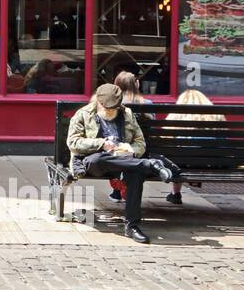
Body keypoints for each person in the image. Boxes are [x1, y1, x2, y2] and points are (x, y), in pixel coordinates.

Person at [66, 83, 174, 244]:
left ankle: (133, 226)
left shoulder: (127, 113)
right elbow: (73, 142)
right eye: (107, 107)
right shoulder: (83, 114)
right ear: (99, 102)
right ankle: (150, 165)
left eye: (114, 107)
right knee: (97, 159)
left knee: (135, 174)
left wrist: (130, 149)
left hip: (124, 161)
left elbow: (140, 142)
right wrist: (101, 144)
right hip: (95, 162)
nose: (110, 111)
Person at [164, 89, 224, 205]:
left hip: (181, 164)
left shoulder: (175, 117)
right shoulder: (216, 116)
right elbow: (222, 142)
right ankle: (175, 193)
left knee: (177, 158)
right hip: (211, 164)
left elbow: (166, 141)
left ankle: (175, 193)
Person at [107, 71, 151, 202]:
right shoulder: (148, 104)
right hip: (143, 152)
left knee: (115, 142)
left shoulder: (111, 104)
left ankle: (116, 191)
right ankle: (128, 190)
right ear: (136, 84)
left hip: (116, 151)